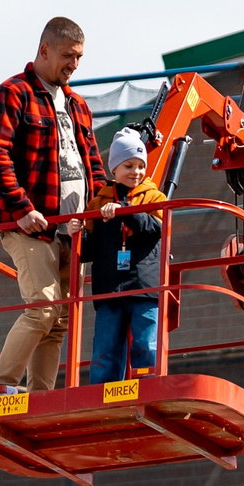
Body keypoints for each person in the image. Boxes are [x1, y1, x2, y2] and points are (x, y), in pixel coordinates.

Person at [0, 17, 117, 392]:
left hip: (73, 230)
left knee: (60, 321)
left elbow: (94, 165)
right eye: (68, 56)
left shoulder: (78, 105)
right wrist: (21, 208)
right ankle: (2, 385)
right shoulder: (11, 95)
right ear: (44, 50)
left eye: (79, 57)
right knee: (42, 308)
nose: (74, 64)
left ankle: (40, 396)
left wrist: (108, 205)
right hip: (31, 226)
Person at [83, 128, 164, 384]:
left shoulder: (154, 197)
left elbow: (157, 229)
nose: (136, 172)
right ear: (114, 169)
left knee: (146, 343)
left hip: (145, 287)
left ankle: (148, 386)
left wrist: (124, 211)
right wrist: (78, 234)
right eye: (128, 165)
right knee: (104, 349)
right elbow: (88, 250)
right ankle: (101, 394)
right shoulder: (97, 204)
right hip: (109, 287)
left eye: (141, 166)